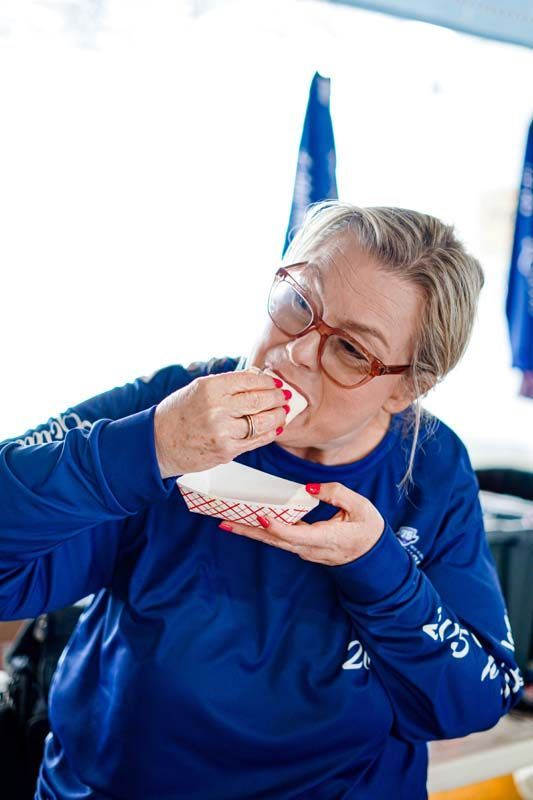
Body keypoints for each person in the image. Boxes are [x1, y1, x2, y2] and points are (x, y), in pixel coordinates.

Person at [0, 202, 523, 799]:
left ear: (406, 388)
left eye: (352, 350)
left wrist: (377, 567)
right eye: (299, 302)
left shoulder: (428, 467)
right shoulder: (178, 405)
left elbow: (471, 703)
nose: (297, 351)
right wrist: (153, 448)